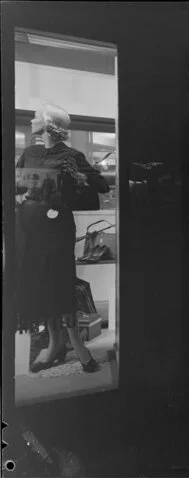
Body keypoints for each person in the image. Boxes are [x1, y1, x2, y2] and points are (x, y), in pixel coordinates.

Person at [15, 103, 109, 373]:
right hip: (29, 229)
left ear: (47, 125)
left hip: (56, 230)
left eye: (36, 118)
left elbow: (101, 185)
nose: (32, 121)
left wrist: (78, 176)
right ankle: (54, 343)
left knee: (60, 281)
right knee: (40, 283)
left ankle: (76, 343)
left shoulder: (72, 155)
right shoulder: (30, 153)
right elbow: (17, 183)